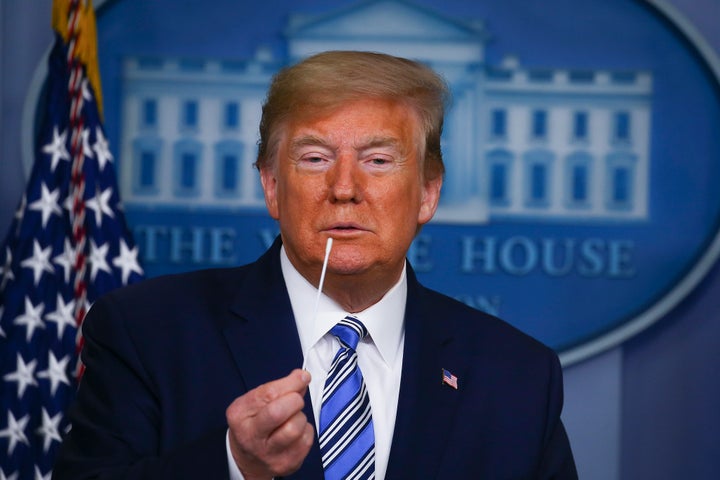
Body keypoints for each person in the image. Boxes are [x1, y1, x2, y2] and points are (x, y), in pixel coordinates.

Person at [53, 51, 577, 479]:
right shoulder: (146, 331)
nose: (344, 189)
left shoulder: (519, 376)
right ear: (272, 186)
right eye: (315, 158)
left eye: (377, 160)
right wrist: (234, 465)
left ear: (427, 193)